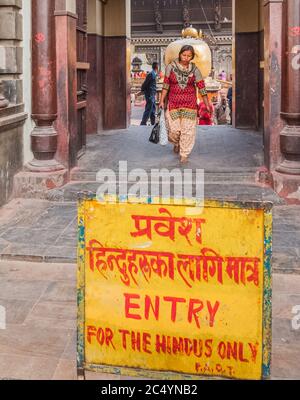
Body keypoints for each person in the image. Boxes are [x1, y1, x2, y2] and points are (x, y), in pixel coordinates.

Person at [159, 45, 211, 163]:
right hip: (173, 104)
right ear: (180, 54)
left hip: (190, 104)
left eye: (189, 56)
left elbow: (201, 87)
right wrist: (162, 100)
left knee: (188, 130)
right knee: (173, 130)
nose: (186, 58)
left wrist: (206, 103)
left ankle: (184, 153)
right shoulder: (170, 67)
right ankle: (176, 142)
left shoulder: (195, 69)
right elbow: (166, 85)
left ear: (192, 57)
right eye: (184, 55)